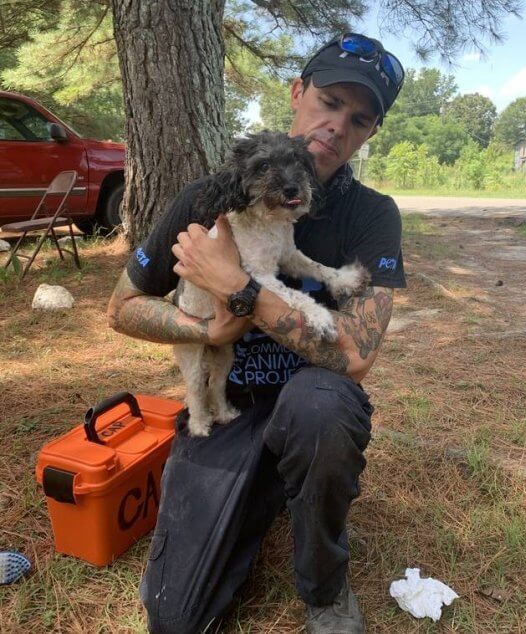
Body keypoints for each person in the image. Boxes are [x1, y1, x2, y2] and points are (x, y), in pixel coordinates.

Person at [108, 33, 406, 634]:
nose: (335, 127)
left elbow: (355, 356)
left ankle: (323, 586)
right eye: (327, 102)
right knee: (174, 617)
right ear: (298, 93)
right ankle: (261, 489)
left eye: (358, 118)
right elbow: (123, 307)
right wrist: (207, 324)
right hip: (227, 405)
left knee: (322, 408)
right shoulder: (208, 198)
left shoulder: (373, 215)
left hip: (309, 400)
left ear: (370, 132)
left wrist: (241, 288)